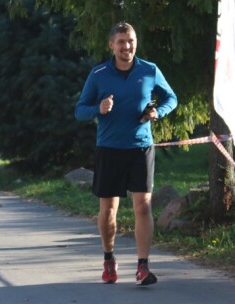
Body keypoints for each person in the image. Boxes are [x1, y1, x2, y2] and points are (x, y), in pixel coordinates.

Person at [75, 22, 177, 286]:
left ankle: (143, 266)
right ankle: (109, 258)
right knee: (108, 210)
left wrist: (158, 112)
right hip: (109, 149)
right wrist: (98, 107)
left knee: (143, 206)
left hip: (141, 147)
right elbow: (80, 110)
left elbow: (171, 98)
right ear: (111, 45)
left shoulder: (149, 70)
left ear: (135, 43)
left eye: (130, 41)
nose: (126, 46)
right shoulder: (98, 74)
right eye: (121, 42)